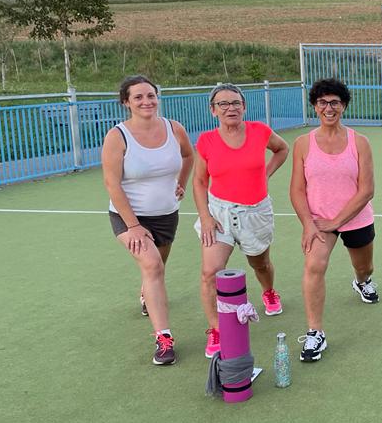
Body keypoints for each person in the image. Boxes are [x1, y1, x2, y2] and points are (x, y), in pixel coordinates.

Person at [101, 75, 193, 365]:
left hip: (167, 214)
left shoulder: (174, 128)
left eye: (150, 96)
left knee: (158, 266)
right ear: (126, 102)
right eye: (138, 97)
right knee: (153, 266)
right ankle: (164, 339)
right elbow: (112, 184)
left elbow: (188, 156)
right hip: (129, 217)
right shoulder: (117, 136)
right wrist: (134, 226)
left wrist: (181, 182)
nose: (146, 102)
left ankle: (146, 293)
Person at [192, 84, 290, 358]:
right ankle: (216, 329)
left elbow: (282, 149)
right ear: (213, 111)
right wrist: (205, 216)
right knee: (209, 273)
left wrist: (266, 175)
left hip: (255, 212)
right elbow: (199, 181)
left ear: (244, 107)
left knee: (260, 263)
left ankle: (269, 291)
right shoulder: (207, 140)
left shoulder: (260, 131)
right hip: (219, 213)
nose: (230, 108)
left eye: (235, 103)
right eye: (222, 104)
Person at [289, 78, 377, 362]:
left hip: (355, 217)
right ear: (315, 106)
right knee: (314, 264)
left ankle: (362, 281)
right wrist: (308, 223)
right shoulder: (303, 144)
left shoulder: (359, 142)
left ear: (344, 106)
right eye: (323, 102)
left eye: (335, 102)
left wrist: (337, 220)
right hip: (318, 221)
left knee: (364, 267)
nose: (329, 108)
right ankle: (316, 333)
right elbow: (297, 189)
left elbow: (367, 190)